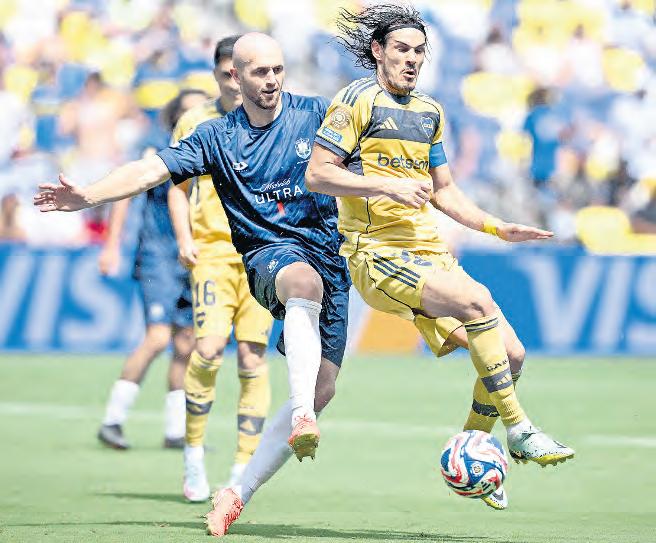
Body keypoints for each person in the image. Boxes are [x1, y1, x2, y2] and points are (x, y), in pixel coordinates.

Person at [33, 33, 350, 535]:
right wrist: (89, 196)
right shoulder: (215, 136)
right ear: (235, 77)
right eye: (260, 72)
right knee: (293, 292)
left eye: (277, 70)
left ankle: (237, 491)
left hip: (331, 258)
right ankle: (291, 421)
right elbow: (150, 170)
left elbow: (375, 147)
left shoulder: (317, 114)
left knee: (322, 386)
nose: (271, 80)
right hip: (267, 258)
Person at [305, 3, 575, 512]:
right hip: (376, 252)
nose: (412, 59)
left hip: (428, 252)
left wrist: (495, 226)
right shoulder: (354, 101)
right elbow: (318, 174)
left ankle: (472, 449)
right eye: (401, 49)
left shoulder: (429, 111)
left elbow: (444, 191)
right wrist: (386, 185)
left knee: (512, 356)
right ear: (378, 50)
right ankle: (519, 429)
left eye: (419, 51)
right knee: (478, 301)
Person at [167, 35, 274, 502]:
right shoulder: (196, 121)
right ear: (217, 74)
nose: (234, 80)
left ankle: (241, 467)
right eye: (227, 72)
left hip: (261, 254)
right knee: (208, 350)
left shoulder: (273, 117)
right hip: (212, 253)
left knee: (252, 357)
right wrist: (184, 238)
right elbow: (175, 186)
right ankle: (193, 454)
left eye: (241, 71)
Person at [96, 89, 207, 450]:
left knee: (186, 343)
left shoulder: (212, 147)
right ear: (175, 116)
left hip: (195, 257)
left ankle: (175, 431)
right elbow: (127, 194)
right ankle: (112, 420)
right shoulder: (157, 147)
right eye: (188, 111)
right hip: (159, 255)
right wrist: (112, 245)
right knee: (158, 338)